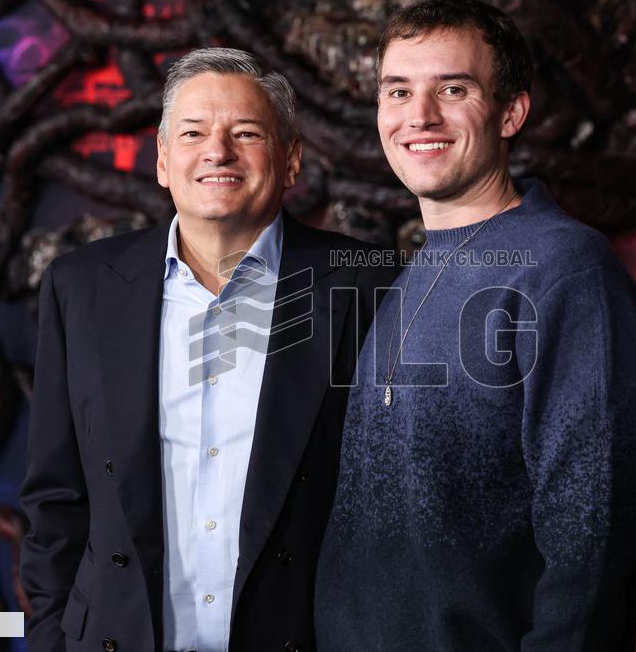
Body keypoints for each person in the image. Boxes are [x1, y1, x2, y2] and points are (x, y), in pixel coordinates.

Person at [20, 48, 396, 652]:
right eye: (193, 133)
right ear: (164, 161)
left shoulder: (367, 284)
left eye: (245, 133)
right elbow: (55, 495)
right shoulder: (81, 286)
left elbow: (395, 505)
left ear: (291, 158)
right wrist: (50, 635)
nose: (217, 152)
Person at [315, 0, 636, 651]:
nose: (420, 116)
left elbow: (592, 545)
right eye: (399, 91)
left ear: (511, 112)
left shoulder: (564, 269)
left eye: (452, 88)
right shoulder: (412, 273)